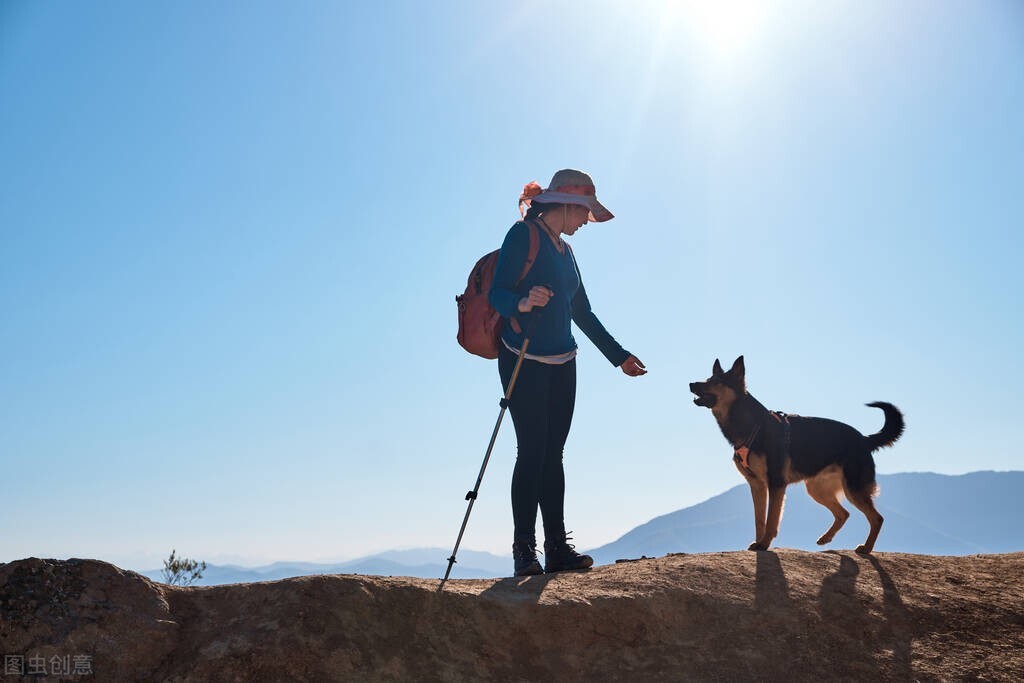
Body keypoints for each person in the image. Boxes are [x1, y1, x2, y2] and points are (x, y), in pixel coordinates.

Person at [488, 169, 647, 576]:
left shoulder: (566, 252)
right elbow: (498, 294)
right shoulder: (522, 236)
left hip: (564, 363)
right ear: (566, 204)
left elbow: (582, 313)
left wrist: (620, 356)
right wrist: (523, 302)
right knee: (532, 451)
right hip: (523, 358)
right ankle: (525, 549)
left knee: (553, 455)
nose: (586, 221)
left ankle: (557, 547)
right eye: (585, 212)